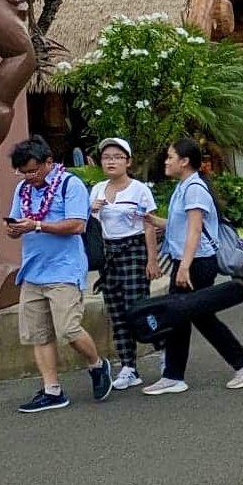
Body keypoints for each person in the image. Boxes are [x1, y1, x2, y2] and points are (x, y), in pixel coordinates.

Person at [139, 138, 243, 396]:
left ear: (184, 161)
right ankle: (174, 374)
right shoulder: (185, 186)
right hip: (187, 261)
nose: (166, 161)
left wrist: (184, 267)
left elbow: (195, 229)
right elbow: (179, 226)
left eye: (170, 156)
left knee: (194, 315)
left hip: (196, 263)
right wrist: (151, 220)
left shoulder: (194, 188)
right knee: (183, 315)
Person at [6, 136, 113, 412]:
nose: (29, 176)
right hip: (32, 271)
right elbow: (20, 220)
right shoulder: (22, 189)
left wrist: (38, 225)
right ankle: (52, 390)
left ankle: (98, 365)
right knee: (38, 334)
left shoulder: (70, 184)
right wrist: (15, 228)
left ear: (49, 162)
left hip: (65, 270)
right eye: (24, 171)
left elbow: (77, 224)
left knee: (68, 329)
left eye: (33, 170)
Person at [87, 136, 157, 389]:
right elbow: (90, 226)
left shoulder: (139, 189)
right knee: (116, 310)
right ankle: (129, 366)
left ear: (128, 161)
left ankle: (164, 350)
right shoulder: (96, 189)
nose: (111, 162)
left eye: (117, 157)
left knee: (137, 307)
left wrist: (152, 259)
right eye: (107, 157)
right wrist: (91, 209)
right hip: (109, 254)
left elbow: (148, 224)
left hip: (134, 249)